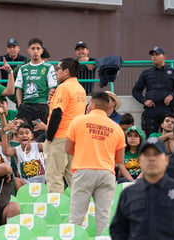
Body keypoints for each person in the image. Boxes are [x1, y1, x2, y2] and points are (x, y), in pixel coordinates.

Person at [111, 137, 174, 240]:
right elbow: (118, 230)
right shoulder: (129, 194)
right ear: (139, 160)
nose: (152, 159)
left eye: (156, 154)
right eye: (146, 155)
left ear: (166, 160)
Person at [66, 91, 129, 235]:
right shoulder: (117, 128)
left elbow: (68, 148)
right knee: (104, 219)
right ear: (108, 108)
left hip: (83, 170)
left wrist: (84, 151)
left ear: (92, 105)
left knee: (76, 218)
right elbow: (119, 160)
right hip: (107, 173)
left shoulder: (78, 121)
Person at [41, 58, 86, 193]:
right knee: (73, 177)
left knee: (54, 176)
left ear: (66, 71)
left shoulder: (64, 87)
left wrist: (49, 136)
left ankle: (57, 211)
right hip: (74, 138)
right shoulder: (80, 89)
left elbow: (57, 113)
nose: (55, 72)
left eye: (58, 69)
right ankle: (83, 209)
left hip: (59, 137)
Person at [132, 46, 174, 137]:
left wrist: (172, 95)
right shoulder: (146, 73)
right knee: (150, 139)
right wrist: (144, 101)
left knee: (169, 137)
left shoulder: (173, 72)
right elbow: (135, 91)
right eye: (152, 55)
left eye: (157, 54)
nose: (154, 57)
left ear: (164, 57)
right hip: (151, 110)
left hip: (167, 109)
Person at [15, 38, 57, 126]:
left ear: (41, 51)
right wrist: (20, 104)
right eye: (33, 48)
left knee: (40, 133)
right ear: (28, 51)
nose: (35, 51)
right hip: (26, 105)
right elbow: (18, 88)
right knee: (22, 131)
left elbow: (52, 87)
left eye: (38, 48)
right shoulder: (23, 68)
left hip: (41, 105)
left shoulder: (48, 67)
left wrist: (48, 103)